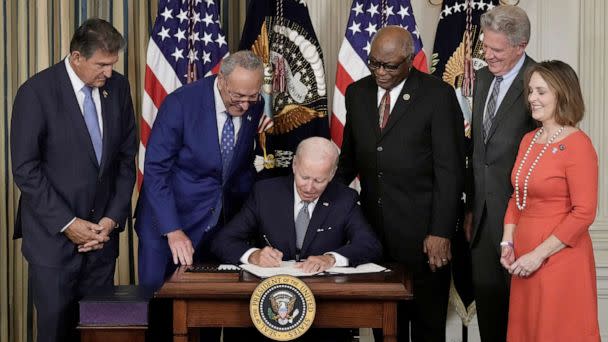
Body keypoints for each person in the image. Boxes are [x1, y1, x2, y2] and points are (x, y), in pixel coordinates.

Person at [10, 19, 136, 342]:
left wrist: (111, 220)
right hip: (53, 244)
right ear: (77, 57)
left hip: (101, 243)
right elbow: (26, 169)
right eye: (102, 65)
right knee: (55, 334)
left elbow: (125, 160)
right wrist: (69, 224)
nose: (108, 73)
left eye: (112, 64)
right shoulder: (36, 92)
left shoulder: (118, 88)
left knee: (99, 333)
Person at [336, 26, 464, 342]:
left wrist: (441, 231)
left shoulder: (437, 94)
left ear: (409, 60)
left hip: (424, 235)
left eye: (390, 65)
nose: (380, 72)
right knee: (385, 324)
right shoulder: (357, 92)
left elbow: (449, 170)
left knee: (426, 325)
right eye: (374, 63)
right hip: (373, 234)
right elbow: (349, 161)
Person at [212, 137, 382, 342]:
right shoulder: (265, 192)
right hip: (266, 305)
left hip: (323, 309)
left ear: (332, 173)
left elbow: (370, 245)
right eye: (304, 177)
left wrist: (330, 259)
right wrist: (254, 255)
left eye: (319, 180)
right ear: (294, 165)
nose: (309, 187)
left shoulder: (345, 198)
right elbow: (223, 241)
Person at [135, 50, 265, 290]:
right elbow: (156, 170)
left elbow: (241, 165)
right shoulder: (181, 104)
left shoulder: (254, 105)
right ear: (222, 80)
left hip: (216, 225)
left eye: (252, 97)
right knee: (158, 306)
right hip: (167, 223)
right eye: (238, 96)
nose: (245, 104)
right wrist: (172, 230)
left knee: (207, 308)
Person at [500, 60, 600, 341]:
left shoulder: (579, 144)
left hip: (559, 258)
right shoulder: (528, 140)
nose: (532, 98)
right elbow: (517, 197)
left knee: (556, 331)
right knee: (527, 332)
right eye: (531, 91)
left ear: (562, 94)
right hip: (524, 257)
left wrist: (538, 255)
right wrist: (508, 242)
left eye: (541, 91)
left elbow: (584, 212)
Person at [463, 6, 537, 341]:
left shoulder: (540, 83)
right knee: (491, 322)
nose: (487, 56)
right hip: (481, 222)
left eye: (497, 50)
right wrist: (470, 208)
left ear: (520, 46)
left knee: (523, 323)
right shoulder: (480, 81)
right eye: (485, 46)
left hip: (523, 223)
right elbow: (478, 153)